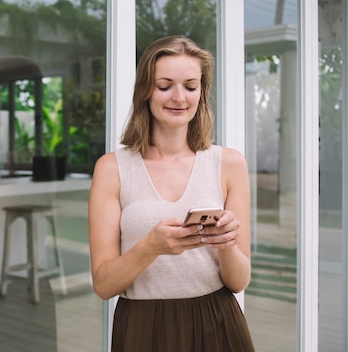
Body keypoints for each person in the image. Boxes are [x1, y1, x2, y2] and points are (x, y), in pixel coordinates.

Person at [88, 35, 256, 352]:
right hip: (141, 327)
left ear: (201, 93)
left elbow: (238, 281)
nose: (179, 97)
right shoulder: (112, 169)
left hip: (216, 322)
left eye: (190, 86)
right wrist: (149, 247)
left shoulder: (229, 164)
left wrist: (227, 245)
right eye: (165, 85)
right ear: (145, 92)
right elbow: (104, 284)